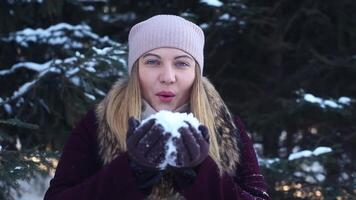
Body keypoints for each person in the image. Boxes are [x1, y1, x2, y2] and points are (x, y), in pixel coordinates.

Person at [44, 14, 270, 200]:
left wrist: (201, 174)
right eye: (152, 62)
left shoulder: (226, 126)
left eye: (182, 63)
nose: (168, 77)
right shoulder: (99, 124)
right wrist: (130, 171)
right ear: (136, 69)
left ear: (195, 73)